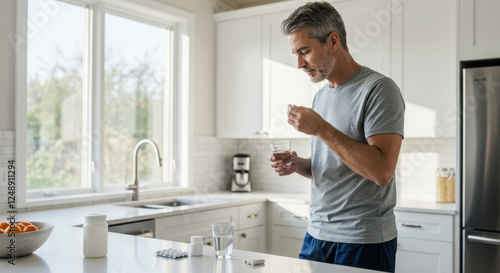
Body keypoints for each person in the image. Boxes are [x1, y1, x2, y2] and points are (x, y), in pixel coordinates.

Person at [268, 2, 405, 273]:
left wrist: (321, 128)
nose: (299, 64)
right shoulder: (321, 97)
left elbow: (381, 171)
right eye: (295, 54)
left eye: (304, 51)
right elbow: (336, 163)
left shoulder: (379, 89)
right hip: (316, 234)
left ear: (332, 41)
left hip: (362, 240)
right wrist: (300, 165)